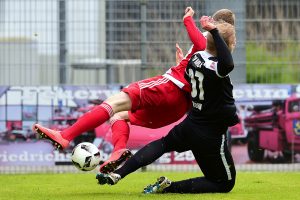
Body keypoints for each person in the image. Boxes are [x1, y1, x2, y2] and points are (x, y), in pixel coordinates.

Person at [33, 8, 235, 173]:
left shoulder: (208, 42)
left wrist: (188, 20)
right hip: (177, 108)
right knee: (119, 116)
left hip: (168, 88)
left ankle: (65, 135)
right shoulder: (220, 62)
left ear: (214, 26)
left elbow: (200, 42)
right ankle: (119, 150)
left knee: (112, 103)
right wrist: (183, 63)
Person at [96, 15, 238, 194]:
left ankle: (119, 173)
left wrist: (208, 38)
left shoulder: (197, 58)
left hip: (191, 124)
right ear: (227, 45)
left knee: (163, 144)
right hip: (210, 133)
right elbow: (227, 64)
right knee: (224, 183)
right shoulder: (218, 67)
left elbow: (192, 77)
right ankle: (170, 187)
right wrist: (215, 31)